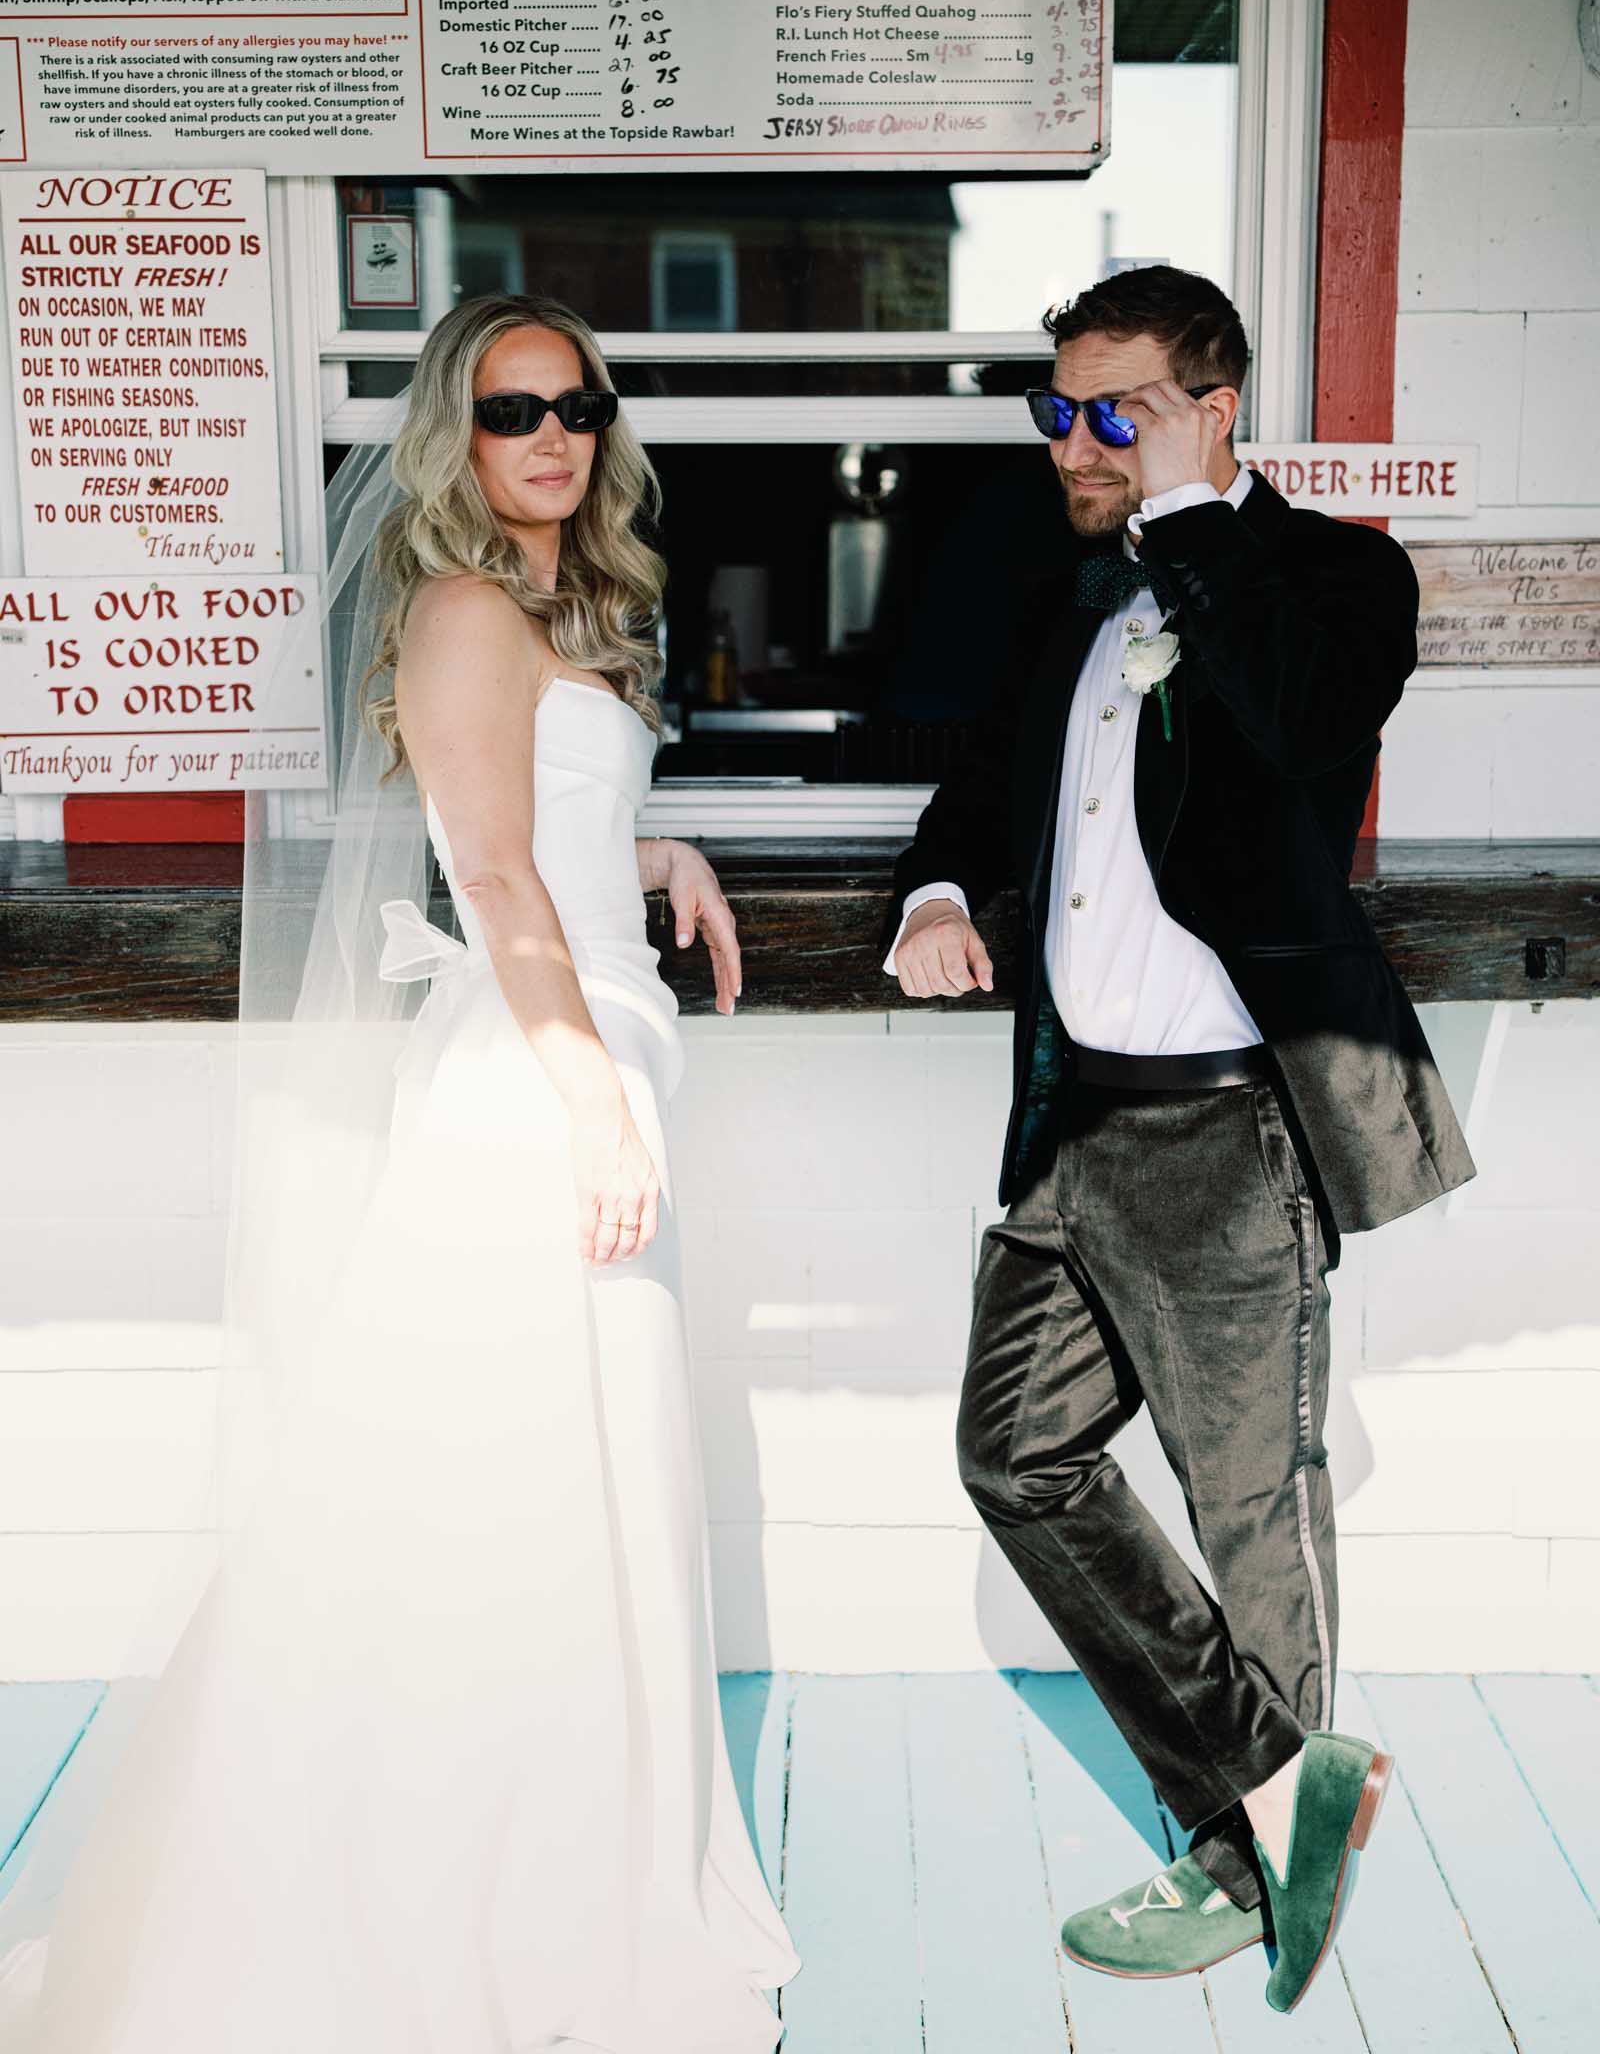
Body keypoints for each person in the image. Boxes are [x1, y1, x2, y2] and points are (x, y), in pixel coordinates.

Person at [0, 292, 798, 2053]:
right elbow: (493, 880)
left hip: (582, 1045)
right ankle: (454, 1875)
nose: (557, 436)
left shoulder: (555, 607)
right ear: (458, 429)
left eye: (581, 403)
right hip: (534, 1085)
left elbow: (544, 827)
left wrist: (651, 836)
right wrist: (587, 1099)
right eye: (517, 410)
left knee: (582, 1477)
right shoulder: (456, 600)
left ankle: (573, 1829)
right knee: (487, 1487)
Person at [880, 264, 1474, 2014]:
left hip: (1230, 1133)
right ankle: (1292, 1789)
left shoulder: (1332, 578)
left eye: (1113, 408)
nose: (1074, 438)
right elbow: (987, 782)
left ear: (1213, 409)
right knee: (1018, 1459)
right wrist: (933, 885)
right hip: (1074, 1125)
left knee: (1248, 1517)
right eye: (1056, 407)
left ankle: (1241, 1861)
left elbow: (1300, 732)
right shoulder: (1072, 594)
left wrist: (1194, 515)